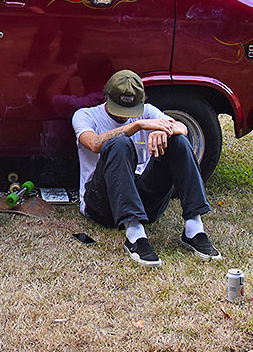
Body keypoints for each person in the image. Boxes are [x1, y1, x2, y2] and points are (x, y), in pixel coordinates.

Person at [72, 69, 219, 266]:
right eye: (120, 109)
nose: (125, 117)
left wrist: (165, 130)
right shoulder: (85, 115)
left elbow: (182, 128)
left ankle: (194, 227)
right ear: (106, 98)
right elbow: (95, 143)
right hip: (102, 203)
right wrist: (138, 125)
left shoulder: (149, 111)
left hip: (145, 201)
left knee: (178, 141)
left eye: (131, 111)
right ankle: (135, 235)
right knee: (119, 144)